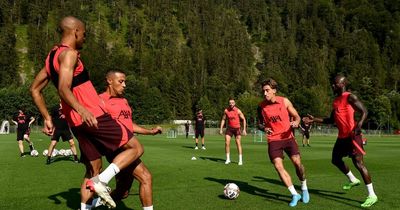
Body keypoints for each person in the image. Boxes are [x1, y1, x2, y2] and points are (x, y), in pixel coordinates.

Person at [30, 16, 144, 209]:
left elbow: (34, 89)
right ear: (76, 31)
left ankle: (88, 202)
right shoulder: (70, 54)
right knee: (136, 147)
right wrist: (82, 110)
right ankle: (103, 181)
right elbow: (63, 88)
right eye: (84, 33)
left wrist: (47, 117)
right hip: (92, 116)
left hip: (76, 123)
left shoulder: (51, 57)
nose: (85, 37)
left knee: (93, 168)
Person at [86, 70, 162, 210]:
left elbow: (129, 125)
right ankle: (100, 181)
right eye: (121, 81)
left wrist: (150, 132)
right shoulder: (100, 101)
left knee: (123, 192)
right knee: (146, 177)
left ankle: (93, 205)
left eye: (125, 81)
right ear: (109, 81)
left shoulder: (124, 101)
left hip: (128, 148)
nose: (124, 85)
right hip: (117, 150)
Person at [303, 75, 378, 207]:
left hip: (353, 136)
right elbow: (330, 120)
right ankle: (353, 179)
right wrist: (313, 119)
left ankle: (372, 195)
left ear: (342, 84)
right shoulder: (336, 101)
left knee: (358, 163)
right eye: (332, 84)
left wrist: (359, 126)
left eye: (335, 83)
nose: (332, 86)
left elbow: (364, 112)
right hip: (342, 137)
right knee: (335, 160)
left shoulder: (350, 97)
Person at [257, 78, 309, 207]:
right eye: (263, 91)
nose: (265, 93)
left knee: (297, 164)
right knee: (278, 166)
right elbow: (259, 123)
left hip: (288, 138)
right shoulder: (261, 106)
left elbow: (297, 116)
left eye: (267, 90)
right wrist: (264, 128)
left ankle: (304, 186)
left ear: (274, 90)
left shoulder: (284, 101)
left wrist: (296, 122)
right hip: (274, 140)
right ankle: (294, 194)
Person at [219, 98, 247, 165]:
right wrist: (221, 129)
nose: (231, 104)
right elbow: (223, 119)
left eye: (232, 103)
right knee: (226, 143)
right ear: (229, 103)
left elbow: (243, 119)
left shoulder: (238, 111)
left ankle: (240, 160)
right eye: (230, 103)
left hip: (237, 129)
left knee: (238, 143)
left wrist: (244, 129)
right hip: (229, 129)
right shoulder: (226, 110)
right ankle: (228, 159)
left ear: (234, 103)